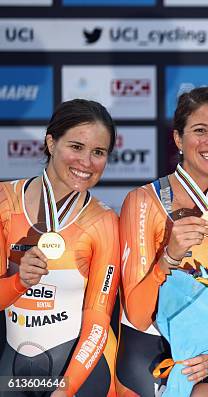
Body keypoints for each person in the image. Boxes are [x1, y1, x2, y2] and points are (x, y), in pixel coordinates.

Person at [116, 87, 208, 397]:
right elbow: (137, 314)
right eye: (200, 130)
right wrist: (168, 257)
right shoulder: (144, 202)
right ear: (178, 139)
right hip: (148, 352)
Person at [0, 99, 120, 397]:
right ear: (51, 142)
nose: (86, 162)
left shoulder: (103, 222)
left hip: (81, 368)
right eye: (76, 147)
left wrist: (66, 390)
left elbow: (98, 319)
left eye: (98, 153)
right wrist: (19, 281)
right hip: (14, 367)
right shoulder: (5, 201)